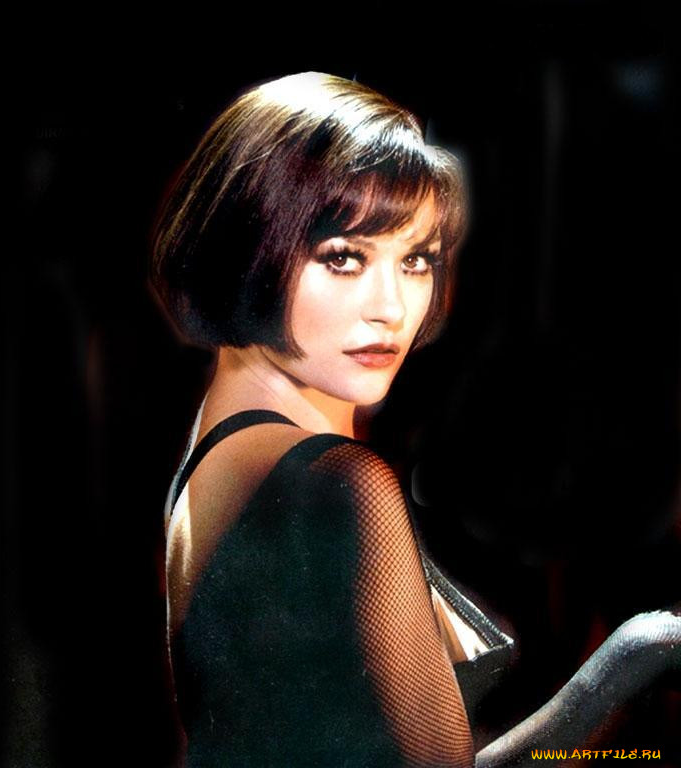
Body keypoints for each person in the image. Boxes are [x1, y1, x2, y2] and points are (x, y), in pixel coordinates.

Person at [150, 72, 679, 768]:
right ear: (248, 243)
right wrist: (636, 658)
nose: (392, 308)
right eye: (344, 257)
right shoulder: (336, 481)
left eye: (416, 260)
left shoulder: (221, 449)